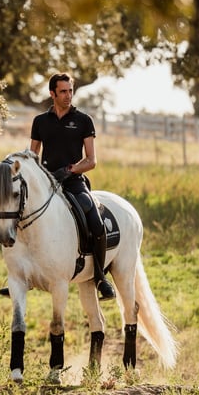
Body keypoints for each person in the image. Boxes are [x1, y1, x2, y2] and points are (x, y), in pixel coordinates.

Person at [29, 72, 116, 301]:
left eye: (70, 91)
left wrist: (68, 171)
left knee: (96, 222)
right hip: (47, 184)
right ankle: (21, 275)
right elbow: (31, 156)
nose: (68, 96)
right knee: (19, 216)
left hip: (73, 183)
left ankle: (99, 277)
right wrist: (39, 176)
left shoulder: (83, 120)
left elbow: (91, 160)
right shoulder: (40, 122)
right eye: (63, 92)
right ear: (52, 94)